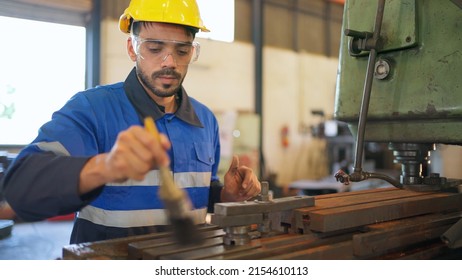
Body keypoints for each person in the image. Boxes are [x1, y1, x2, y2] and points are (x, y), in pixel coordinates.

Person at [0, 0, 261, 244]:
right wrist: (105, 166)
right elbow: (20, 188)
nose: (169, 62)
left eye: (181, 51)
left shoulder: (205, 121)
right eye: (155, 48)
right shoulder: (92, 109)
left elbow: (200, 195)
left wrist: (227, 196)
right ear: (131, 48)